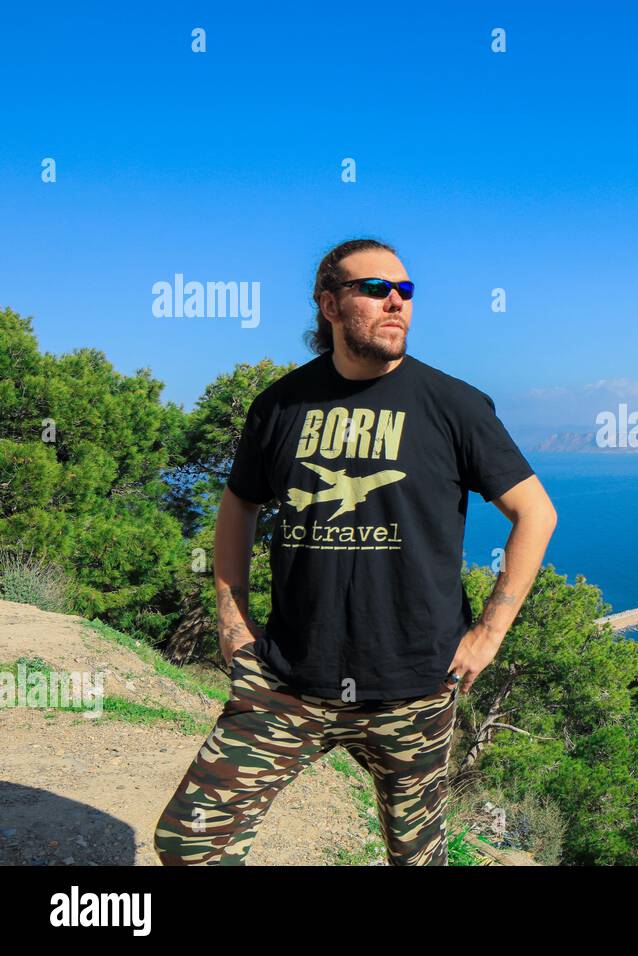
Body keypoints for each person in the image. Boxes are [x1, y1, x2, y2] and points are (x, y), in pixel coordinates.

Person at [154, 238, 557, 865]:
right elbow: (239, 504)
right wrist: (232, 620)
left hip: (414, 687)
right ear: (329, 305)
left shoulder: (454, 405)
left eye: (406, 290)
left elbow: (535, 512)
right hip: (289, 678)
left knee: (416, 857)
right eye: (375, 289)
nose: (396, 301)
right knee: (191, 840)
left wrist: (488, 634)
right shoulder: (281, 405)